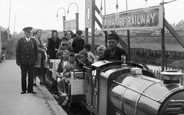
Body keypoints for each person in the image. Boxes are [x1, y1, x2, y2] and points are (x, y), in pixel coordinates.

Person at [16, 27, 38, 94]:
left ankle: (30, 89)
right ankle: (23, 89)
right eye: (27, 33)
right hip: (23, 61)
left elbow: (35, 51)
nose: (29, 34)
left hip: (31, 61)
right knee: (23, 76)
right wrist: (18, 61)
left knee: (31, 76)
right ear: (24, 33)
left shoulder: (33, 41)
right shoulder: (21, 41)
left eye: (30, 33)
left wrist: (36, 60)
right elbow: (17, 51)